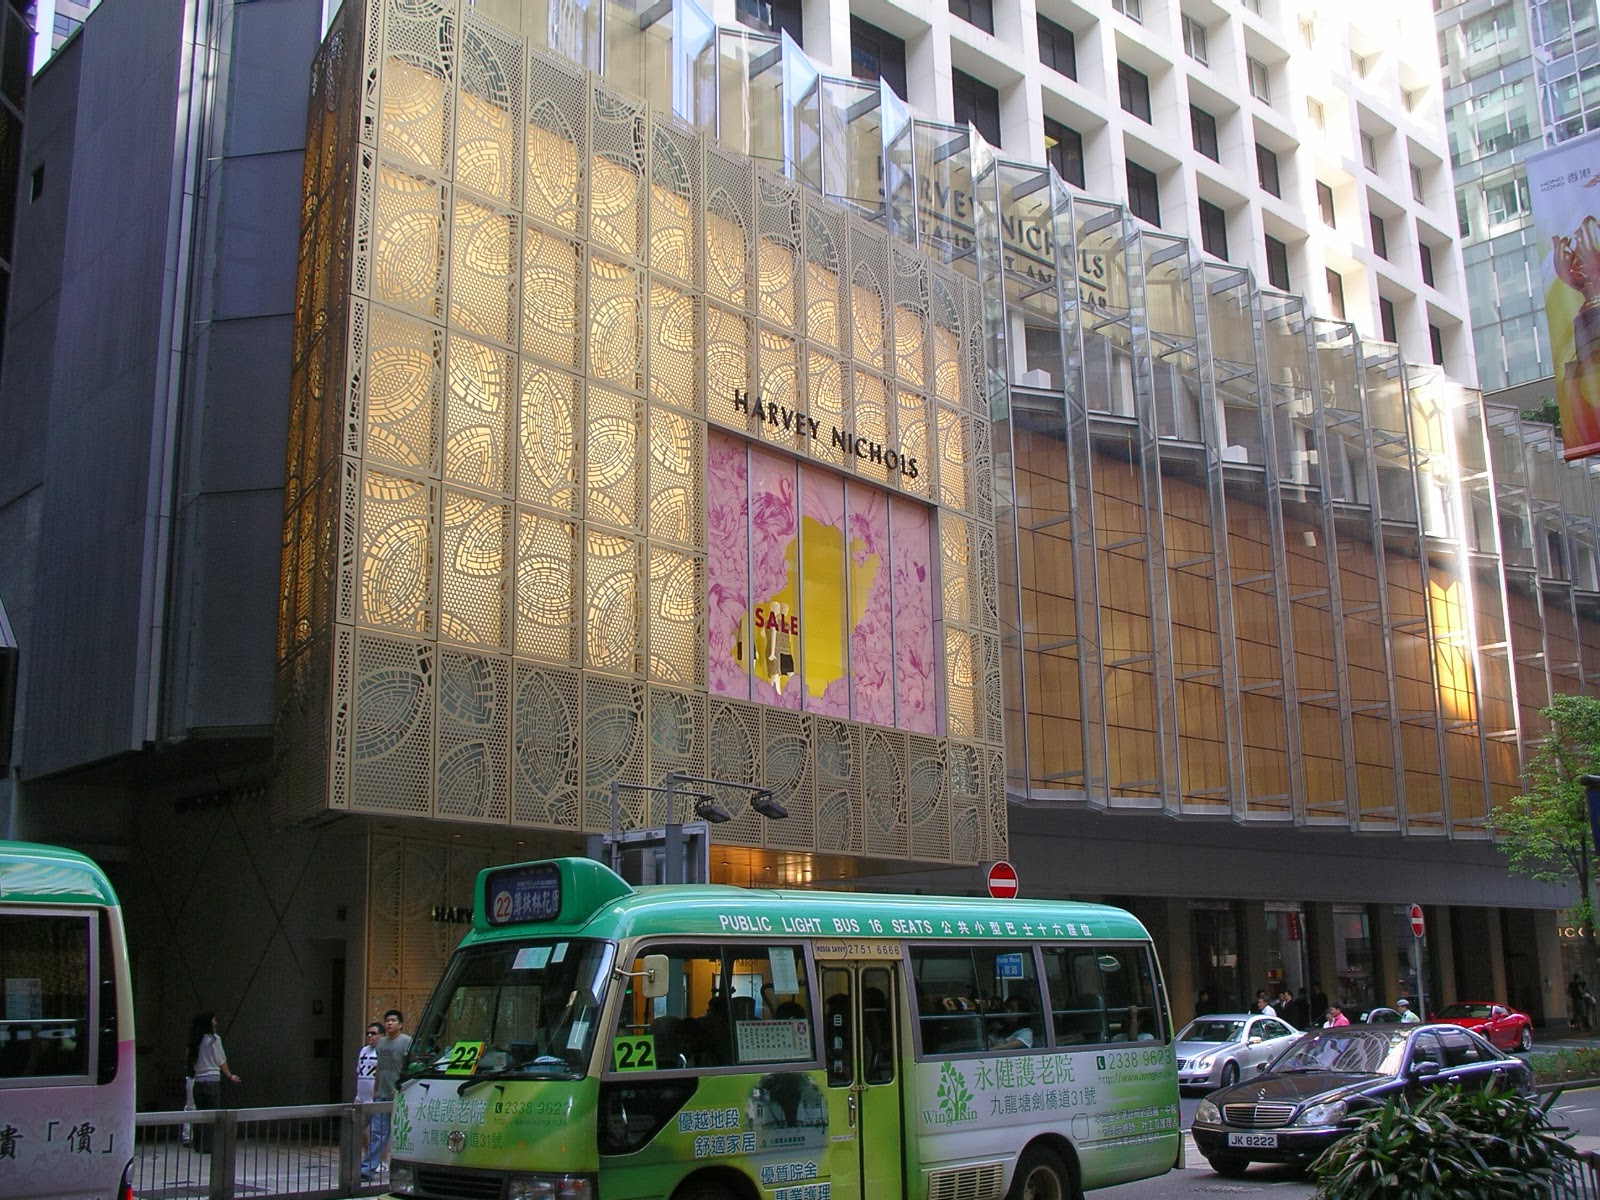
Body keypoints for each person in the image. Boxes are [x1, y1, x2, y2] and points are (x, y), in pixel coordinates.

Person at [362, 1009, 411, 1182]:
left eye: (393, 1020)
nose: (389, 1023)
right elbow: (380, 1068)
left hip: (400, 1095)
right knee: (378, 1133)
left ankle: (404, 1169)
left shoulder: (407, 1042)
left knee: (402, 1133)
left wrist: (401, 1086)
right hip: (381, 1094)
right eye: (387, 1021)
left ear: (401, 1024)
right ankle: (367, 1168)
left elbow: (410, 1067)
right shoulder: (381, 1043)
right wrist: (375, 1090)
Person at [186, 1011, 240, 1154]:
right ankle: (208, 1146)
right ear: (209, 1022)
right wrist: (230, 1075)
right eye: (214, 1020)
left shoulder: (194, 1041)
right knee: (212, 1115)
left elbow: (190, 1061)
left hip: (198, 1082)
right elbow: (221, 1060)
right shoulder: (214, 1039)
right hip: (212, 1081)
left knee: (200, 1115)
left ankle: (198, 1145)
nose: (216, 1023)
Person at [355, 1021, 380, 1158]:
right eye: (368, 1033)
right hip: (361, 1096)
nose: (369, 1036)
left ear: (381, 1035)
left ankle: (380, 1160)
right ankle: (367, 1156)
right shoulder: (363, 1050)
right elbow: (359, 1071)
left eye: (373, 1033)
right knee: (359, 1128)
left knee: (378, 1131)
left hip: (374, 1097)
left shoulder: (382, 1051)